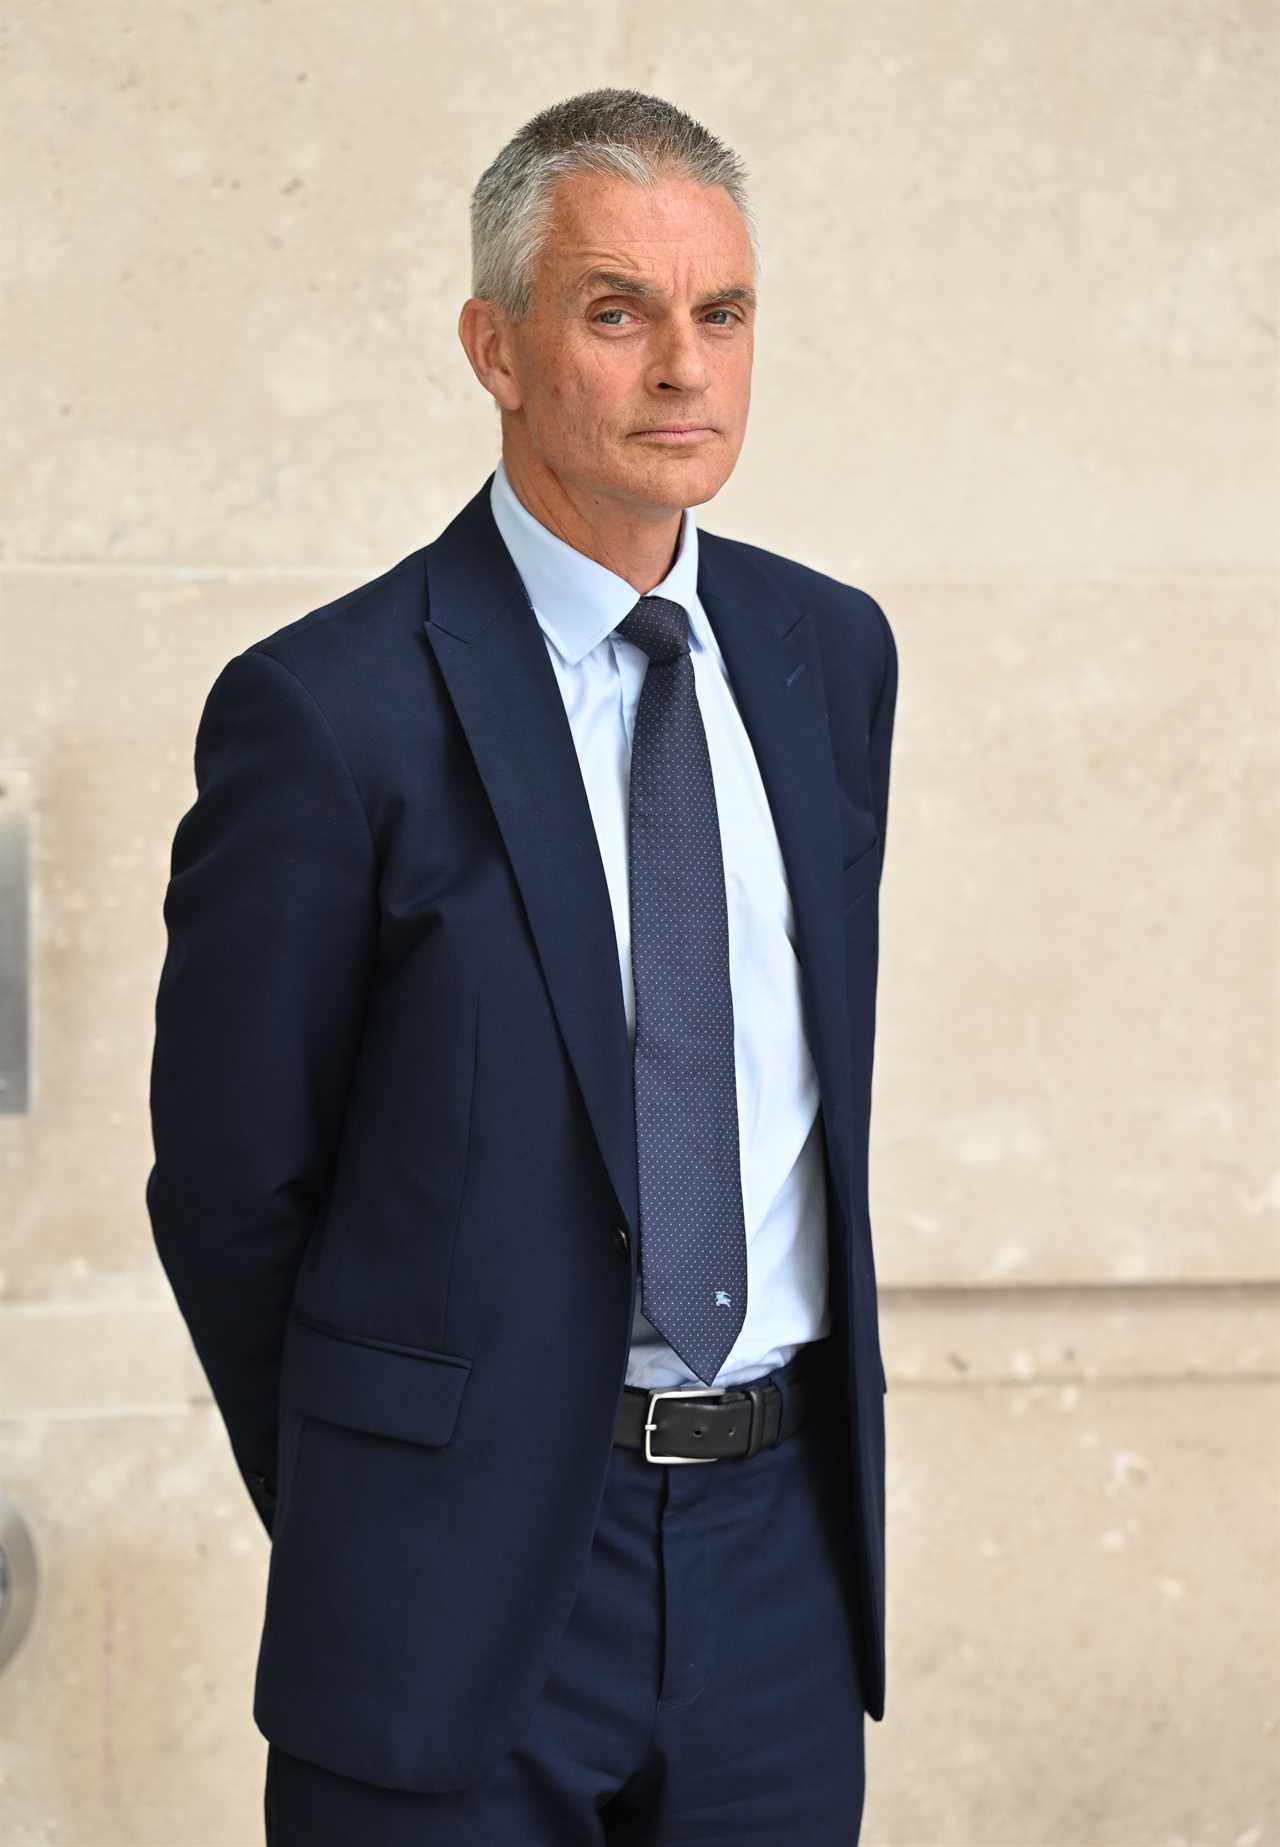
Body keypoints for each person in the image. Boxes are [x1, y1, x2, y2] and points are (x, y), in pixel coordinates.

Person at [146, 85, 899, 1846]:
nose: (682, 372)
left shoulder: (825, 657)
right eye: (617, 311)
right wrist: (389, 1504)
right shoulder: (326, 714)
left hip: (780, 1566)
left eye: (721, 315)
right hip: (453, 1598)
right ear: (497, 345)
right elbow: (234, 1188)